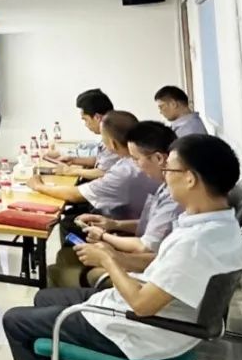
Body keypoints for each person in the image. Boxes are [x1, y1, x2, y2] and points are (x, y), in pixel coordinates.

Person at [3, 134, 242, 360]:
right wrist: (116, 255)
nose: (164, 177)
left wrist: (108, 261)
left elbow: (142, 305)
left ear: (190, 178)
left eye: (169, 170)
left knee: (15, 321)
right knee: (45, 298)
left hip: (139, 329)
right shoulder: (219, 226)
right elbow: (162, 264)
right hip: (156, 314)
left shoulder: (195, 244)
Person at [29, 111, 162, 288]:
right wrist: (113, 225)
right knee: (70, 233)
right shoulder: (133, 165)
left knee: (62, 262)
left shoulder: (129, 171)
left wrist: (39, 186)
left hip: (131, 248)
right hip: (126, 231)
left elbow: (146, 246)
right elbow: (149, 224)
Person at [75, 121, 184, 285]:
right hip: (146, 256)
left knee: (88, 271)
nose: (135, 165)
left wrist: (104, 237)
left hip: (149, 269)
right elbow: (154, 225)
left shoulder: (174, 196)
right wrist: (113, 224)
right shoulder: (163, 185)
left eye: (136, 159)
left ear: (158, 158)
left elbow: (146, 246)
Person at [49, 89, 116, 180]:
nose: (85, 124)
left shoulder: (114, 138)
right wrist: (73, 160)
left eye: (85, 119)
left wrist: (69, 171)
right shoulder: (111, 131)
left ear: (97, 117)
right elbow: (101, 161)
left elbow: (103, 172)